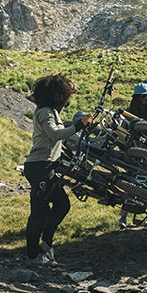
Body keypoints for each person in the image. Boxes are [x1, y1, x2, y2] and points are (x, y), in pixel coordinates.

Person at [23, 74, 93, 267]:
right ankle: (33, 256)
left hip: (46, 166)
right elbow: (55, 134)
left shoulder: (50, 111)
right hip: (41, 166)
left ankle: (46, 244)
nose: (67, 100)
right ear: (57, 95)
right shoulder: (45, 112)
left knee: (62, 204)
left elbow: (59, 127)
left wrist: (71, 91)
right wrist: (79, 125)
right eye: (64, 95)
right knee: (39, 211)